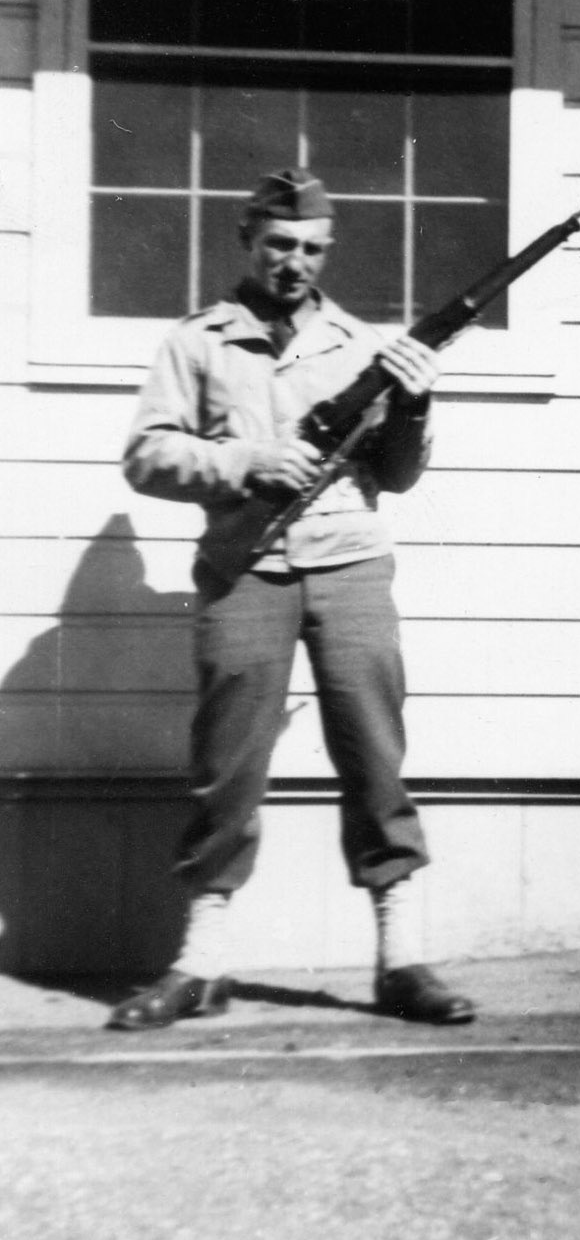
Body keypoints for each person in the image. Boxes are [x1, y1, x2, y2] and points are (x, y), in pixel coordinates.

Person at [107, 167, 475, 1029]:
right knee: (226, 770)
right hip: (246, 574)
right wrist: (246, 463)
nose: (294, 263)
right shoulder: (197, 342)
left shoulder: (362, 345)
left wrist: (415, 405)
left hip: (349, 565)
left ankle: (400, 960)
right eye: (279, 244)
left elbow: (396, 475)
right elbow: (146, 456)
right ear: (246, 239)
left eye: (311, 248)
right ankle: (201, 965)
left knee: (375, 759)